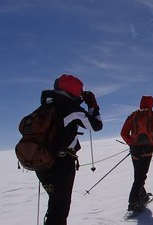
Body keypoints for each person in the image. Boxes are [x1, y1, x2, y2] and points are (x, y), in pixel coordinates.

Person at [35, 74, 103, 225]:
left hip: (41, 161)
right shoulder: (72, 110)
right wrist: (92, 105)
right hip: (61, 163)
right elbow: (96, 125)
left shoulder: (44, 107)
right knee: (60, 210)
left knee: (55, 205)